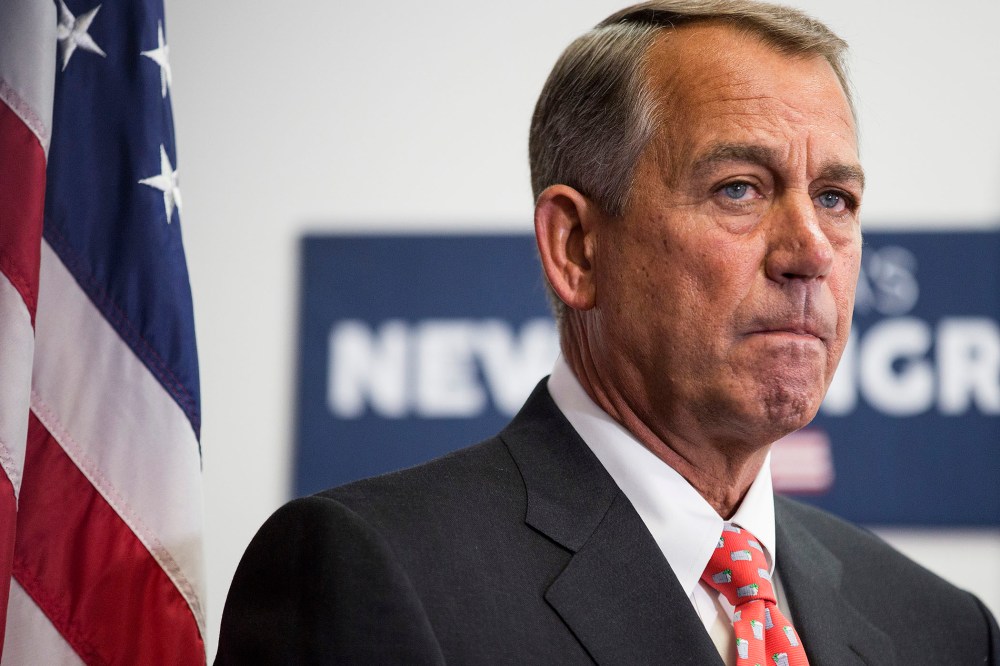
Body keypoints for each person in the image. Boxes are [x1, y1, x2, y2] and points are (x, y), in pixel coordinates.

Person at [217, 1, 1000, 663]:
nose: (810, 252)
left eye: (834, 198)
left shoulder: (943, 630)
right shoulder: (367, 572)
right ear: (577, 249)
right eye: (739, 188)